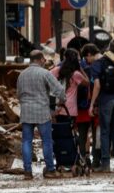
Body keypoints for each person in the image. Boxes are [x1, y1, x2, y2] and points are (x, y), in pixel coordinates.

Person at [17, 50, 66, 180]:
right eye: (44, 59)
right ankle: (50, 169)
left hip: (26, 111)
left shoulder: (22, 75)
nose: (45, 62)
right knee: (47, 141)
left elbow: (18, 94)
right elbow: (59, 90)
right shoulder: (45, 73)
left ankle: (27, 171)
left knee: (26, 141)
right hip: (42, 111)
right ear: (39, 59)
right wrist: (61, 102)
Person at [88, 43, 114, 173]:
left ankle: (105, 165)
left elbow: (97, 85)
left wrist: (92, 104)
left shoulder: (97, 64)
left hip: (106, 101)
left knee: (105, 132)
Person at [78, 45, 100, 167]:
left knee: (82, 134)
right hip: (96, 105)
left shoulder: (80, 69)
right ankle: (96, 160)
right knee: (97, 134)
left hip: (82, 106)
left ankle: (83, 159)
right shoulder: (99, 66)